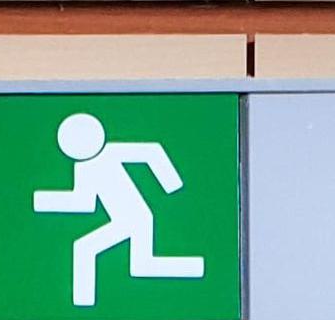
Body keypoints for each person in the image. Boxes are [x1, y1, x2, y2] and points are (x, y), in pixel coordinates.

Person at [32, 111, 206, 309]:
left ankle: (83, 303)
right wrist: (44, 200)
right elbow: (85, 203)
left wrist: (170, 182)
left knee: (86, 249)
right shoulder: (84, 168)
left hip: (134, 219)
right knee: (141, 264)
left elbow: (151, 152)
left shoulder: (112, 152)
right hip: (133, 219)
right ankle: (193, 267)